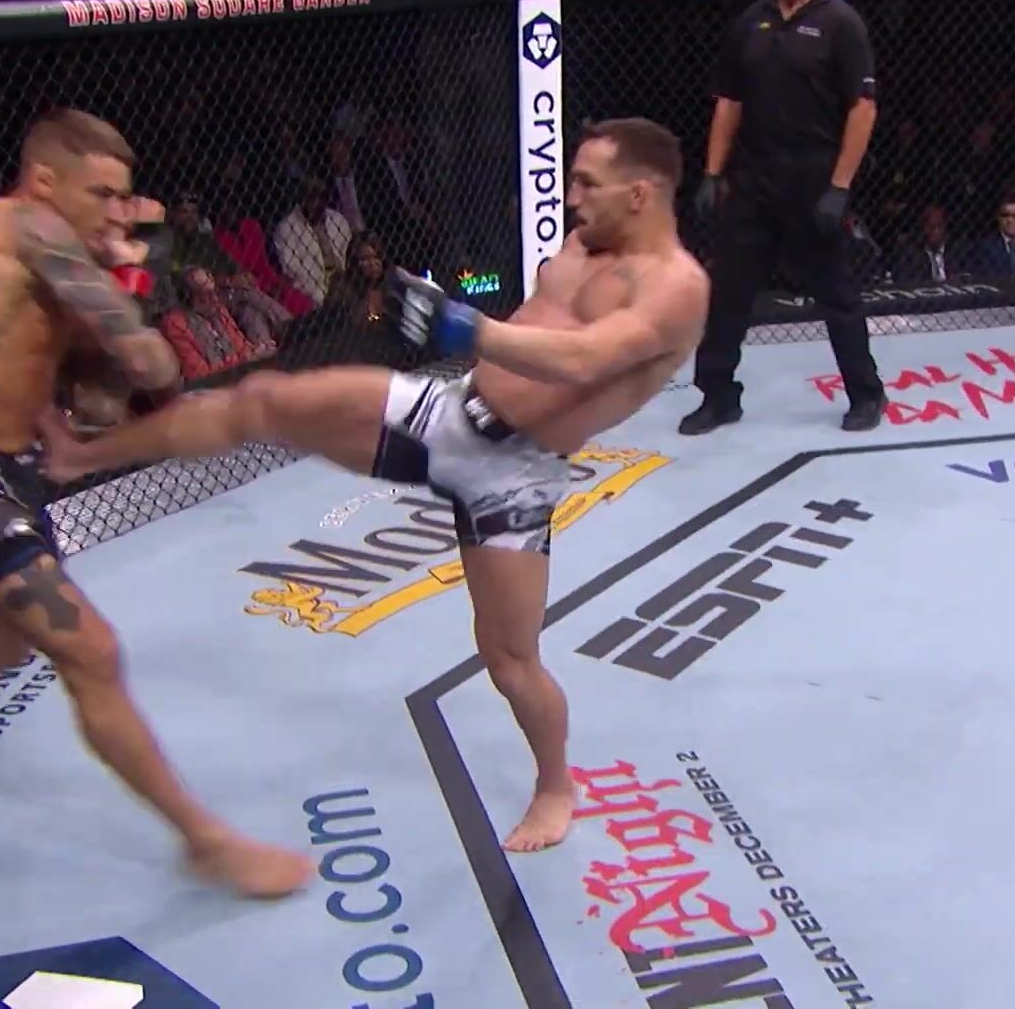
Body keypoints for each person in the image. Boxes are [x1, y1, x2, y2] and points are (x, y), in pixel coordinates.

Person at [37, 117, 709, 852]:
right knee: (262, 401)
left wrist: (468, 328)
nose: (572, 196)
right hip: (449, 412)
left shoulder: (676, 287)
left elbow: (584, 359)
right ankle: (81, 456)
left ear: (639, 194)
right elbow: (544, 321)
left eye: (587, 183)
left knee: (510, 662)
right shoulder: (587, 240)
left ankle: (556, 786)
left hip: (514, 473)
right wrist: (462, 330)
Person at [0, 107, 313, 900]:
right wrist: (132, 267)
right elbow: (148, 356)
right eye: (102, 194)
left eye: (124, 197)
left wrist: (121, 288)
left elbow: (112, 396)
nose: (116, 212)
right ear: (45, 180)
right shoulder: (17, 226)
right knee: (92, 650)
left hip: (7, 476)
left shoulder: (53, 269)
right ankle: (208, 843)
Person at [682, 0, 887, 436]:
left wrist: (840, 186)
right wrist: (712, 172)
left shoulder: (840, 23)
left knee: (836, 293)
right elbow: (729, 101)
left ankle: (866, 394)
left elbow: (862, 108)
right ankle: (718, 396)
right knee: (728, 292)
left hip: (813, 176)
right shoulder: (750, 21)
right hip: (754, 177)